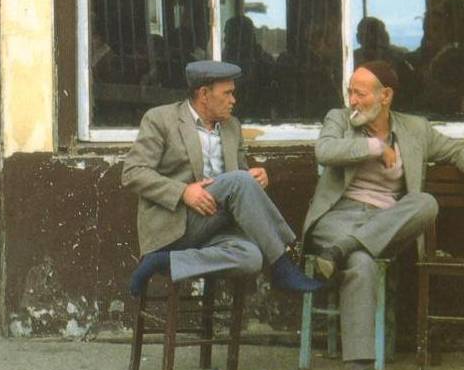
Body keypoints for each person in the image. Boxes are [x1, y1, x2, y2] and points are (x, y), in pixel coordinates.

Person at [303, 59, 464, 370]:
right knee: (361, 263)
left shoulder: (414, 129)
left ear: (385, 95)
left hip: (385, 221)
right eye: (350, 92)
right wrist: (377, 147)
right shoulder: (339, 120)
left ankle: (343, 249)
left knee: (425, 202)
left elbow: (456, 149)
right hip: (339, 217)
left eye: (360, 93)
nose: (353, 100)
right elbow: (325, 150)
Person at [123, 60, 324, 298]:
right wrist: (183, 192)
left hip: (216, 223)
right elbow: (133, 172)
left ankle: (164, 261)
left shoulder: (232, 126)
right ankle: (284, 260)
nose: (233, 100)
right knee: (239, 182)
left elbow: (239, 179)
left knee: (252, 258)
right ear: (204, 94)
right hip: (176, 222)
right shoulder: (161, 119)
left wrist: (256, 177)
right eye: (227, 93)